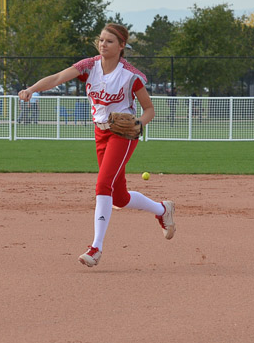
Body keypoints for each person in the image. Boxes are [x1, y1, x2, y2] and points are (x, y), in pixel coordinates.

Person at [18, 23, 176, 268]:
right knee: (119, 197)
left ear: (122, 46)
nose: (103, 44)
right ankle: (162, 209)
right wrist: (31, 89)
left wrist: (138, 124)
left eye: (109, 41)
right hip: (100, 133)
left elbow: (149, 109)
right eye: (101, 40)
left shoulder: (129, 76)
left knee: (103, 184)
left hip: (123, 135)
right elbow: (58, 78)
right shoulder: (89, 66)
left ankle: (96, 248)